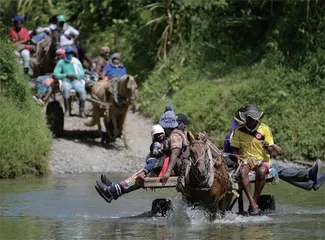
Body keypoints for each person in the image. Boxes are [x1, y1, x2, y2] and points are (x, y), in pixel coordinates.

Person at [225, 104, 325, 191]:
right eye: (248, 119)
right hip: (243, 162)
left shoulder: (260, 129)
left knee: (276, 168)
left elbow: (268, 149)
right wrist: (239, 159)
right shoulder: (236, 133)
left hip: (257, 160)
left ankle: (310, 183)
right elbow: (233, 151)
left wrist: (269, 147)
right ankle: (308, 175)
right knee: (278, 169)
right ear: (244, 120)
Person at [231, 105, 283, 215]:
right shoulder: (238, 130)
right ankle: (253, 203)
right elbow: (234, 148)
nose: (249, 120)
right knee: (242, 172)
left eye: (251, 118)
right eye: (247, 118)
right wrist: (237, 157)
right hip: (246, 160)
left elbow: (270, 151)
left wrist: (266, 146)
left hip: (262, 160)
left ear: (256, 119)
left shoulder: (265, 129)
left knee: (262, 172)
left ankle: (253, 201)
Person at [53, 46, 86, 118]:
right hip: (66, 80)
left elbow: (82, 73)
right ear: (65, 53)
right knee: (66, 90)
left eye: (71, 53)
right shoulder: (61, 62)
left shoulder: (77, 62)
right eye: (68, 53)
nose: (69, 54)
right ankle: (67, 110)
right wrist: (66, 75)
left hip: (76, 80)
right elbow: (55, 74)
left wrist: (76, 76)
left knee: (82, 91)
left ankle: (82, 111)